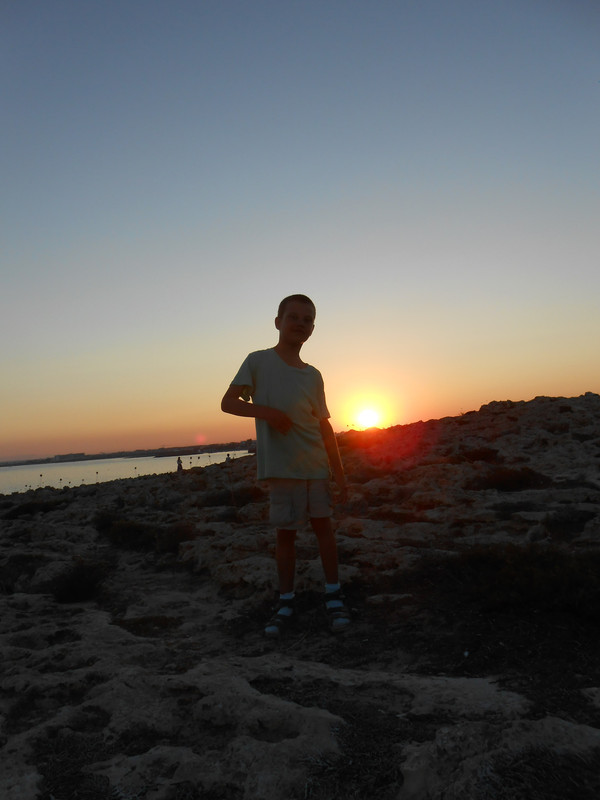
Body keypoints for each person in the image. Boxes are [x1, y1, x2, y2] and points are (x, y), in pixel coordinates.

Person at [221, 294, 351, 637]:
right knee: (286, 536)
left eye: (307, 320)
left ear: (313, 329)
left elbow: (324, 426)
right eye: (293, 317)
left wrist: (339, 473)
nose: (300, 324)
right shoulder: (258, 361)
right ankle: (286, 602)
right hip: (283, 468)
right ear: (278, 322)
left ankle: (334, 595)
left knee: (325, 531)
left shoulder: (314, 375)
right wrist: (268, 413)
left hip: (316, 466)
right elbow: (228, 402)